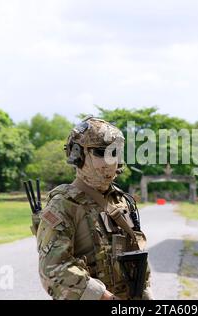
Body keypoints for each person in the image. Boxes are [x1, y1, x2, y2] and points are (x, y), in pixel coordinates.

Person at [34, 116, 153, 300]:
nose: (110, 161)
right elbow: (53, 270)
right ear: (78, 154)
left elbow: (137, 255)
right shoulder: (64, 204)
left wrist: (146, 294)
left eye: (114, 153)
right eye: (101, 152)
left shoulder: (121, 201)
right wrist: (103, 297)